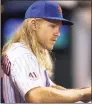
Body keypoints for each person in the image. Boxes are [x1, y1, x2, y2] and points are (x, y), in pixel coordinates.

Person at [1, 1, 91, 103]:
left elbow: (51, 89)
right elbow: (36, 96)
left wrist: (83, 95)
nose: (58, 33)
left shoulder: (30, 53)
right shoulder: (21, 54)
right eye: (52, 26)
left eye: (59, 28)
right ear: (34, 25)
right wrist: (82, 94)